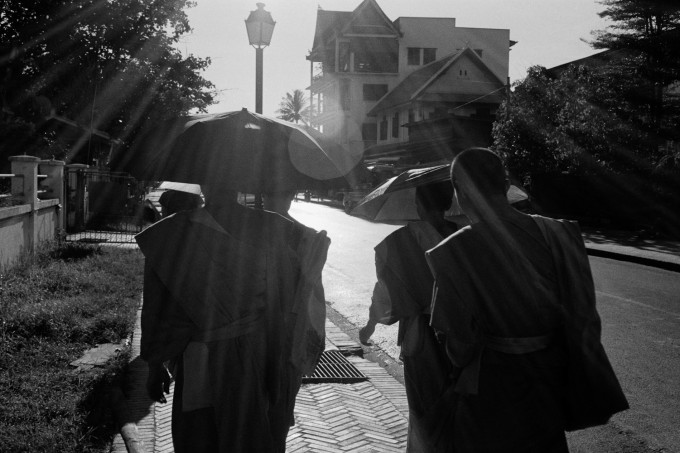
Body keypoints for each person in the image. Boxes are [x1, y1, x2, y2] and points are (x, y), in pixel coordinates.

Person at [425, 148, 602, 452]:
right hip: (549, 380)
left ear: (460, 190)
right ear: (505, 186)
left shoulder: (454, 251)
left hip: (493, 387)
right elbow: (586, 318)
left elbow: (458, 348)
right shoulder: (559, 233)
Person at [136, 182, 330, 453]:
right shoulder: (277, 227)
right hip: (257, 355)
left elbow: (156, 306)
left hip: (197, 357)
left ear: (201, 184)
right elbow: (313, 259)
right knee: (250, 434)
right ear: (243, 182)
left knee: (199, 435)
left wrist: (156, 365)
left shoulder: (170, 232)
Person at [358, 181, 460, 452]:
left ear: (418, 205)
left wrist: (370, 324)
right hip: (461, 335)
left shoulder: (400, 241)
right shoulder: (464, 236)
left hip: (420, 335)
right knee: (457, 404)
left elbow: (385, 291)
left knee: (423, 405)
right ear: (449, 203)